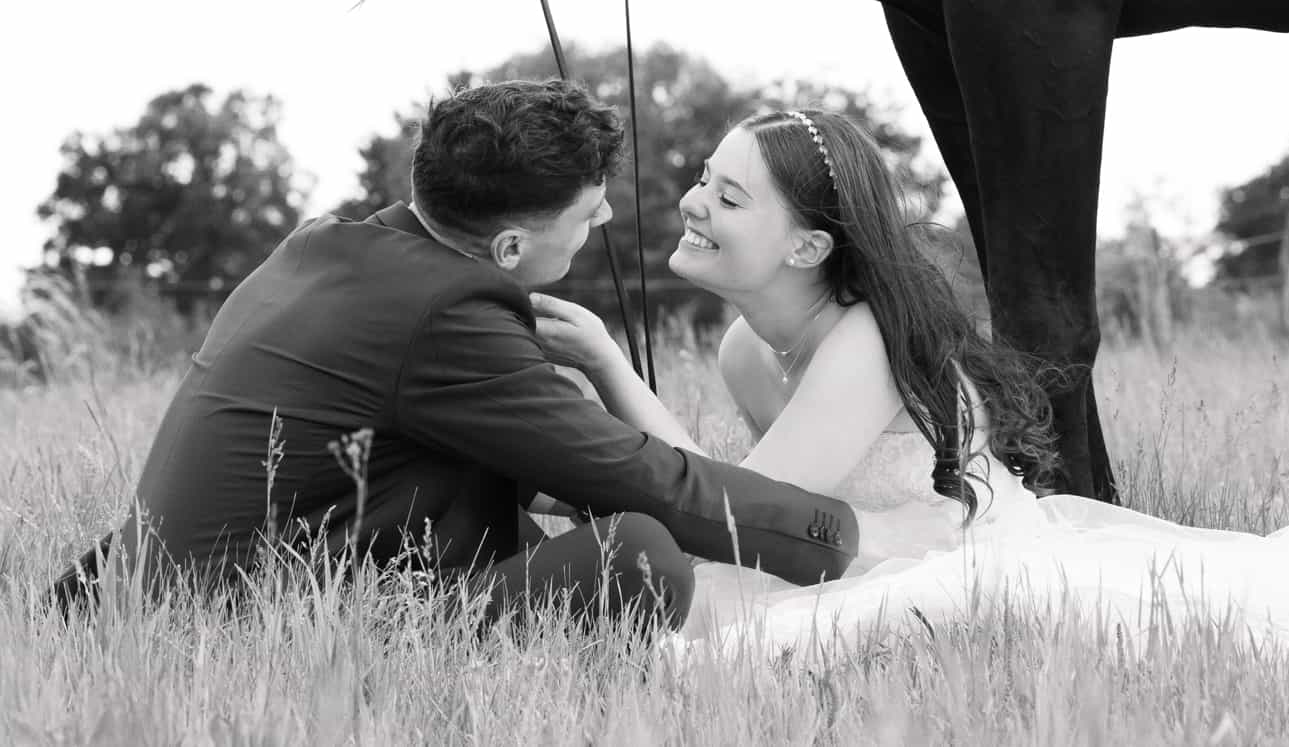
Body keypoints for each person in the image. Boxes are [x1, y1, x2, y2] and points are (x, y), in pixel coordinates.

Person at [531, 108, 1289, 655]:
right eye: (700, 182)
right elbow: (749, 496)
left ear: (808, 248)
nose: (690, 204)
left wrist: (614, 375)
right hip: (851, 553)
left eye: (727, 193)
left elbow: (729, 508)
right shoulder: (741, 347)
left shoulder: (857, 340)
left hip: (964, 560)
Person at [50, 81, 862, 636]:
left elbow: (533, 462)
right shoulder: (445, 311)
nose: (607, 214)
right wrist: (834, 536)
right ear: (509, 245)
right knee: (637, 554)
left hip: (197, 587)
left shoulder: (329, 248)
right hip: (250, 628)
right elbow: (638, 475)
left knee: (552, 497)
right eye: (588, 214)